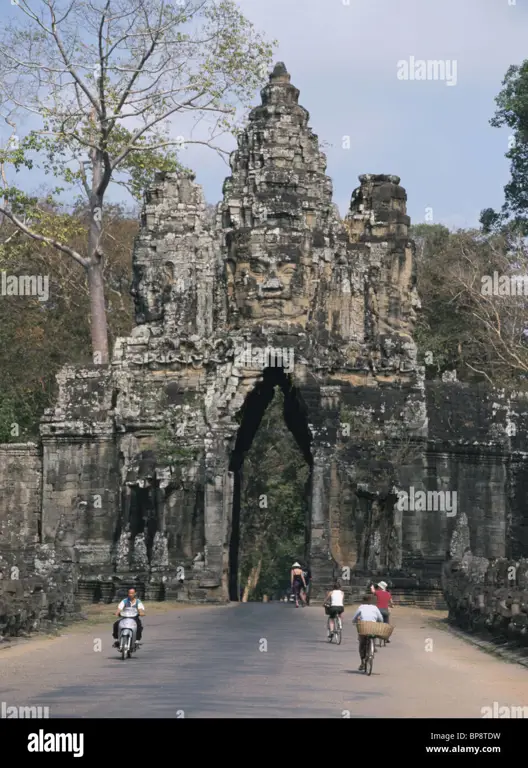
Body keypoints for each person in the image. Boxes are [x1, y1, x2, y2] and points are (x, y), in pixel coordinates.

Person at [351, 594, 383, 671]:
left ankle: (362, 661)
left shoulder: (361, 607)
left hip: (363, 627)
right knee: (373, 635)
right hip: (372, 627)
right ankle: (373, 647)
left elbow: (354, 618)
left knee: (362, 643)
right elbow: (381, 619)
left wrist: (355, 621)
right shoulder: (375, 608)